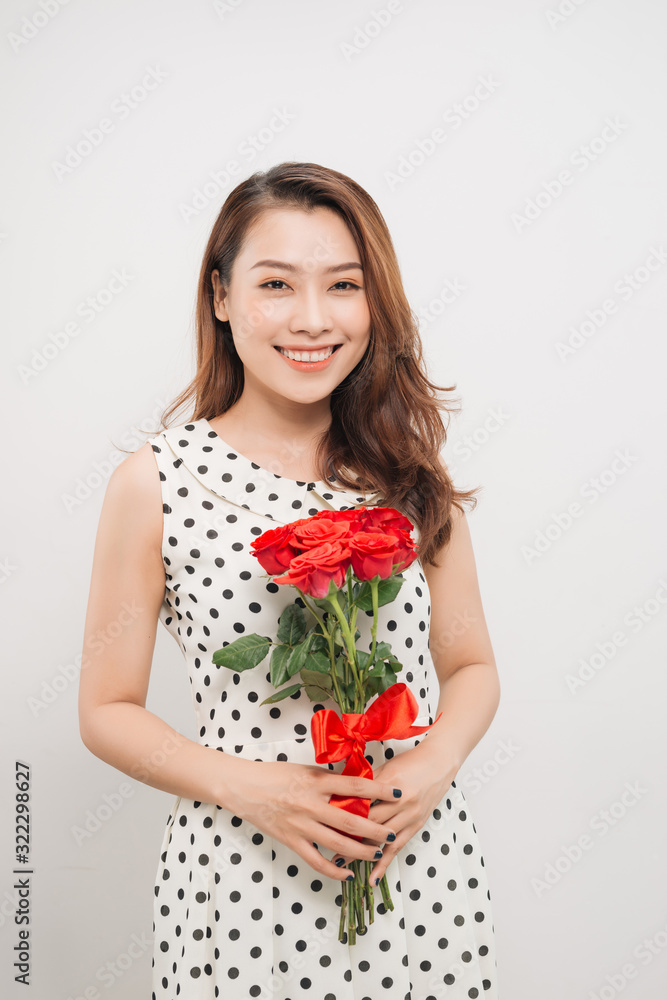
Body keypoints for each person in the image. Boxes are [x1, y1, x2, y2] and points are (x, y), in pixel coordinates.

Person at [79, 161, 501, 999]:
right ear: (221, 296)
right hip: (241, 880)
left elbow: (471, 668)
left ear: (373, 302)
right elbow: (105, 710)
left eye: (342, 285)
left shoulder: (406, 474)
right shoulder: (158, 481)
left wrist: (434, 763)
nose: (312, 319)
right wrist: (256, 789)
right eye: (276, 283)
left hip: (418, 871)